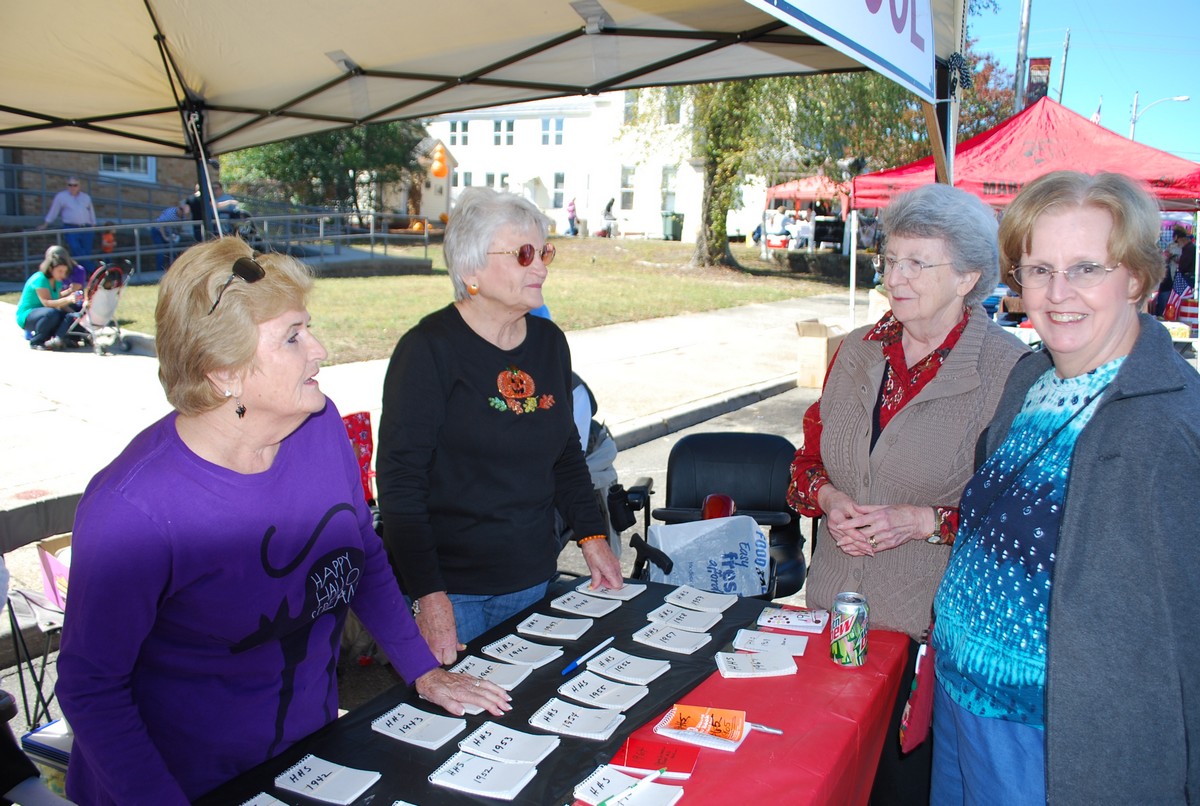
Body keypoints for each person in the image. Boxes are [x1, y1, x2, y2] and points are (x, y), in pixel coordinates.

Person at [55, 238, 511, 805]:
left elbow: (362, 553)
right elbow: (91, 690)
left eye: (308, 327)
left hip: (308, 762)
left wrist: (423, 669)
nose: (319, 349)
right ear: (224, 371)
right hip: (174, 786)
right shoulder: (134, 510)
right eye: (293, 336)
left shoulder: (317, 428)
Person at [931, 171, 1200, 805]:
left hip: (1054, 745)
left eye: (1086, 269)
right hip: (962, 702)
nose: (1057, 293)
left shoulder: (1170, 425)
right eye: (1038, 269)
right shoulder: (1031, 379)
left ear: (1135, 276)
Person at [787, 183, 1027, 805]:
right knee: (827, 778)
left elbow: (1019, 519)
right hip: (834, 621)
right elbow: (807, 463)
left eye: (918, 263)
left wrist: (924, 520)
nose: (896, 276)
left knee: (902, 789)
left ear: (969, 276)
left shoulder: (1010, 371)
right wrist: (830, 499)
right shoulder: (855, 351)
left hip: (929, 642)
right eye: (890, 260)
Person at [377, 187, 623, 666]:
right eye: (524, 254)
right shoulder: (428, 351)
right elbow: (400, 487)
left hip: (533, 577)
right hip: (453, 593)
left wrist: (593, 538)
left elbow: (566, 455)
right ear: (471, 269)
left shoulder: (549, 343)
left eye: (544, 251)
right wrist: (429, 597)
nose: (542, 267)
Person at [15, 247, 80, 350]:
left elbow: (59, 302)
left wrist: (76, 314)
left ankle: (62, 339)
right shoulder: (40, 279)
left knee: (72, 312)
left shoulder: (57, 281)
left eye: (64, 271)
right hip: (27, 315)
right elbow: (47, 303)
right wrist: (68, 299)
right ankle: (37, 341)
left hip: (45, 314)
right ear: (50, 269)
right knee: (52, 313)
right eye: (60, 271)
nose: (63, 275)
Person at [35, 176, 96, 269]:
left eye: (75, 185)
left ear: (79, 186)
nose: (72, 187)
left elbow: (91, 211)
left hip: (86, 227)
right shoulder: (61, 197)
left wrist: (93, 225)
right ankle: (92, 269)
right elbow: (54, 211)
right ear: (67, 186)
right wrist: (45, 224)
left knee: (86, 251)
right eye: (70, 185)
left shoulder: (86, 197)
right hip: (71, 227)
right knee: (76, 249)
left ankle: (84, 273)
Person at [151, 198, 189, 272]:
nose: (183, 214)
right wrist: (165, 237)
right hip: (158, 231)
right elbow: (161, 225)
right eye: (182, 212)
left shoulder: (182, 216)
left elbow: (180, 227)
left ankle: (173, 270)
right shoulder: (171, 214)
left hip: (169, 233)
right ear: (179, 209)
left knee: (173, 252)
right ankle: (159, 272)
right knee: (161, 252)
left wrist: (177, 234)